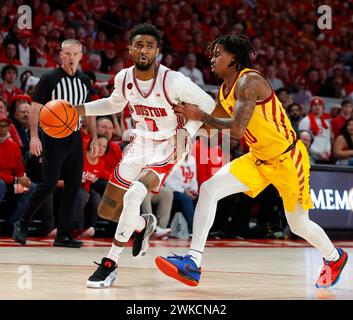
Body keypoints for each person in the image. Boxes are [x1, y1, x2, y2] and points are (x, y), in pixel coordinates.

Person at [155, 34, 347, 289]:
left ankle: (335, 258)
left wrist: (199, 114)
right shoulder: (224, 90)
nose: (211, 58)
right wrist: (182, 124)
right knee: (209, 188)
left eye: (217, 53)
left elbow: (235, 129)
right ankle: (193, 262)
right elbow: (214, 128)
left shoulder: (249, 81)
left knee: (298, 224)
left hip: (287, 159)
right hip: (258, 158)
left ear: (233, 58)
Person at [73, 24, 215, 288]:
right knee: (107, 210)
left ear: (157, 51)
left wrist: (188, 131)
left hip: (171, 142)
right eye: (139, 44)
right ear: (130, 49)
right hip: (141, 143)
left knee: (135, 193)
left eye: (150, 45)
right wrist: (77, 110)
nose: (144, 49)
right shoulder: (123, 78)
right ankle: (142, 223)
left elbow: (208, 105)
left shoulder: (173, 80)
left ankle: (110, 264)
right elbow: (113, 104)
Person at [12, 39, 97, 248]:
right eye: (67, 53)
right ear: (61, 55)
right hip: (53, 137)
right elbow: (35, 108)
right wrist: (34, 136)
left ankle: (64, 234)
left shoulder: (85, 81)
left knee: (73, 186)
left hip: (75, 137)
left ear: (80, 57)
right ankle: (22, 223)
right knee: (49, 183)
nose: (70, 57)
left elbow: (90, 111)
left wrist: (94, 137)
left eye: (74, 54)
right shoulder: (49, 78)